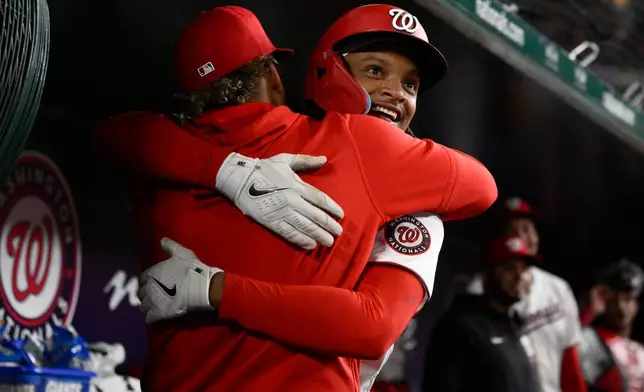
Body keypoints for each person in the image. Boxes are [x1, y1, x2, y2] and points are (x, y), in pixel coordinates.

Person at [96, 5, 497, 392]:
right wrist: (227, 172)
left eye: (410, 84)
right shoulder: (359, 145)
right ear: (275, 75)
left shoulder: (160, 157)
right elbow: (483, 187)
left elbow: (114, 135)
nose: (395, 93)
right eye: (375, 71)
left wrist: (222, 173)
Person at [465, 197, 587, 392]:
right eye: (511, 231)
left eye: (527, 228)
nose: (522, 238)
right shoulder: (477, 292)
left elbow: (570, 358)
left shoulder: (558, 288)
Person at [424, 235, 541, 392]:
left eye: (524, 268)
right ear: (488, 273)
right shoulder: (458, 327)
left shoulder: (515, 323)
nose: (519, 276)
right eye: (510, 268)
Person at [578, 259, 644, 392]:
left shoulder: (640, 351)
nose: (621, 307)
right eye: (614, 300)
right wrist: (589, 313)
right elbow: (565, 347)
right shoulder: (589, 340)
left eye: (627, 299)